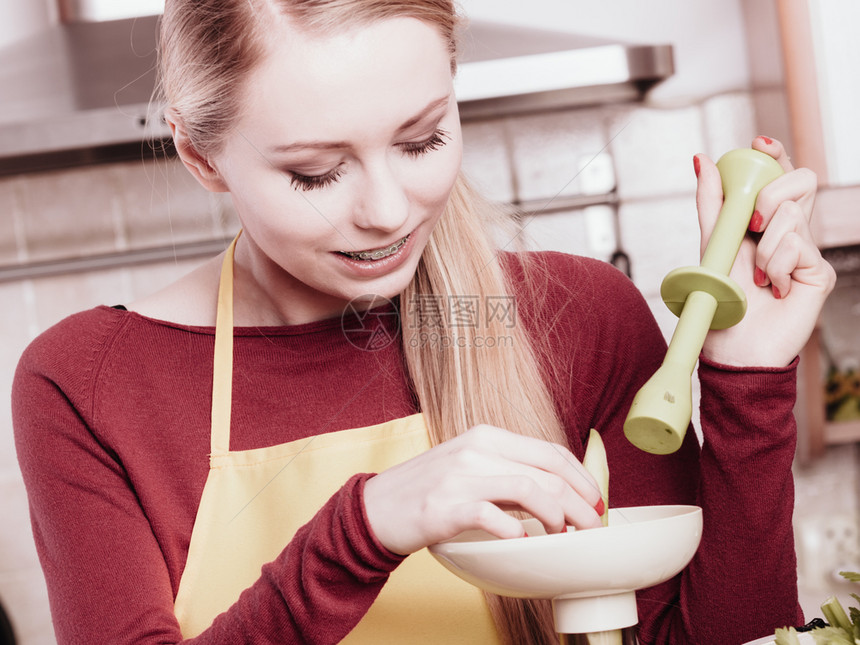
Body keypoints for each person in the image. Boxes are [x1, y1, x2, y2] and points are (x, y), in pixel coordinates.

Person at [12, 1, 836, 644]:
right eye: (314, 173)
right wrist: (363, 530)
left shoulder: (586, 318)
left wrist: (747, 380)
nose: (386, 210)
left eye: (422, 139)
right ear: (199, 156)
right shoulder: (86, 382)